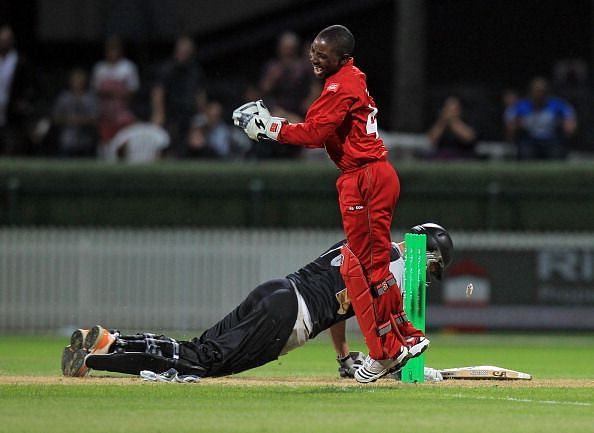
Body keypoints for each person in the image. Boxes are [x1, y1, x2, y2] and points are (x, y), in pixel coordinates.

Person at [233, 25, 409, 382]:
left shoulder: (340, 84)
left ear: (343, 59)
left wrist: (270, 128)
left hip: (365, 177)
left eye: (323, 54)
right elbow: (319, 128)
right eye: (313, 50)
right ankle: (398, 343)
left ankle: (390, 349)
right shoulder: (349, 76)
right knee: (363, 268)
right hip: (368, 174)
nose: (314, 57)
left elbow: (314, 133)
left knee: (367, 270)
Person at [61, 223, 453, 381]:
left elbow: (343, 303)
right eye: (432, 272)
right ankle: (93, 362)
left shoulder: (367, 242)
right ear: (428, 257)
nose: (428, 280)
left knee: (200, 349)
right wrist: (406, 367)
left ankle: (111, 341)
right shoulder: (397, 272)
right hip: (288, 316)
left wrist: (342, 355)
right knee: (203, 365)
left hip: (277, 291)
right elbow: (381, 333)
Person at [150, 35, 207, 157]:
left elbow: (200, 96)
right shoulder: (166, 69)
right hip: (171, 115)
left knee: (193, 145)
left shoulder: (195, 71)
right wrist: (158, 113)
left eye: (187, 51)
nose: (183, 54)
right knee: (169, 145)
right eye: (181, 50)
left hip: (189, 116)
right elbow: (158, 92)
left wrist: (201, 118)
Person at [504, 77, 577, 160]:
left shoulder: (558, 105)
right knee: (525, 152)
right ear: (531, 91)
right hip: (530, 140)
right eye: (537, 91)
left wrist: (566, 126)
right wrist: (515, 126)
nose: (539, 94)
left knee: (557, 152)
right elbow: (510, 124)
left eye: (542, 91)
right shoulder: (521, 106)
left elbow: (570, 121)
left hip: (551, 140)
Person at [91, 35, 140, 156]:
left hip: (123, 113)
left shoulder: (128, 67)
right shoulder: (99, 68)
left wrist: (117, 93)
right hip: (106, 114)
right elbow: (95, 90)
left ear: (120, 51)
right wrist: (109, 92)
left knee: (124, 143)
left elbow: (133, 91)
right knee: (106, 145)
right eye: (110, 50)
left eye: (115, 49)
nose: (112, 53)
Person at [0, 25, 36, 155]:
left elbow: (30, 86)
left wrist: (23, 101)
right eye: (2, 39)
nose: (4, 42)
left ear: (12, 41)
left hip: (12, 113)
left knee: (12, 147)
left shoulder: (20, 61)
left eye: (7, 39)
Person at [51, 68, 98, 157]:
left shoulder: (90, 98)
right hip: (66, 140)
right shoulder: (63, 97)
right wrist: (68, 120)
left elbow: (96, 118)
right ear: (70, 81)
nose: (77, 83)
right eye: (75, 80)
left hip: (86, 141)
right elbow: (55, 118)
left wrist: (81, 120)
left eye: (80, 80)